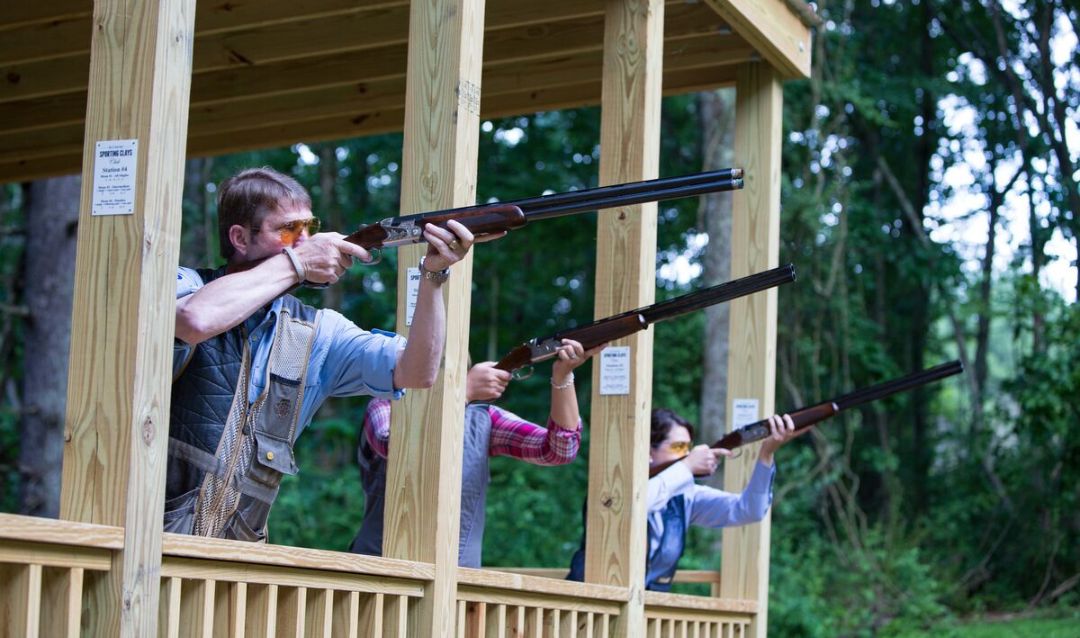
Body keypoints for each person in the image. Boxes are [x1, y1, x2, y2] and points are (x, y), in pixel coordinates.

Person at [166, 166, 476, 541]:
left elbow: (418, 370)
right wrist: (297, 264)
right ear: (239, 238)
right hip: (153, 545)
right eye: (288, 231)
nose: (305, 241)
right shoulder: (187, 286)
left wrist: (434, 275)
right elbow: (195, 320)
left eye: (308, 229)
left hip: (238, 563)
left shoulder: (317, 331)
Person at [350, 339, 604, 567]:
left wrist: (562, 378)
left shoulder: (484, 419)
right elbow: (397, 448)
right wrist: (465, 393)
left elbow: (560, 451)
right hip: (378, 572)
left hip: (459, 582)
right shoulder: (384, 404)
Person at [566, 407, 799, 590]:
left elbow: (749, 510)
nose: (687, 454)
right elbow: (638, 505)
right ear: (647, 451)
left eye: (689, 447)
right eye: (678, 446)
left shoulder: (685, 494)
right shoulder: (612, 489)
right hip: (590, 611)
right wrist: (687, 467)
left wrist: (767, 453)